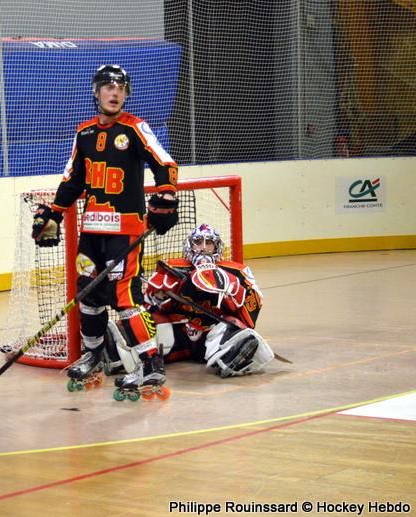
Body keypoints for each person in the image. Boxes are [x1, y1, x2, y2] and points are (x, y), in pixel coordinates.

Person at [31, 64, 180, 399]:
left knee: (126, 298)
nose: (115, 93)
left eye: (121, 88)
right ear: (96, 92)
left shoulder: (137, 128)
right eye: (108, 87)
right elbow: (73, 180)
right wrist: (53, 212)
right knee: (88, 294)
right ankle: (93, 355)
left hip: (125, 231)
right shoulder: (83, 133)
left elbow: (165, 164)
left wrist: (167, 194)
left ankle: (150, 363)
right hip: (92, 231)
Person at [107, 223, 274, 383]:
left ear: (217, 247)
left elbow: (252, 312)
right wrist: (157, 297)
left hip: (212, 334)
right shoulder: (171, 267)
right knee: (144, 323)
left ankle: (232, 359)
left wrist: (234, 292)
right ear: (189, 246)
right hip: (180, 334)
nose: (203, 247)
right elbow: (148, 306)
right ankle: (120, 353)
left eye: (209, 243)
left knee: (236, 330)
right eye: (198, 242)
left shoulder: (237, 271)